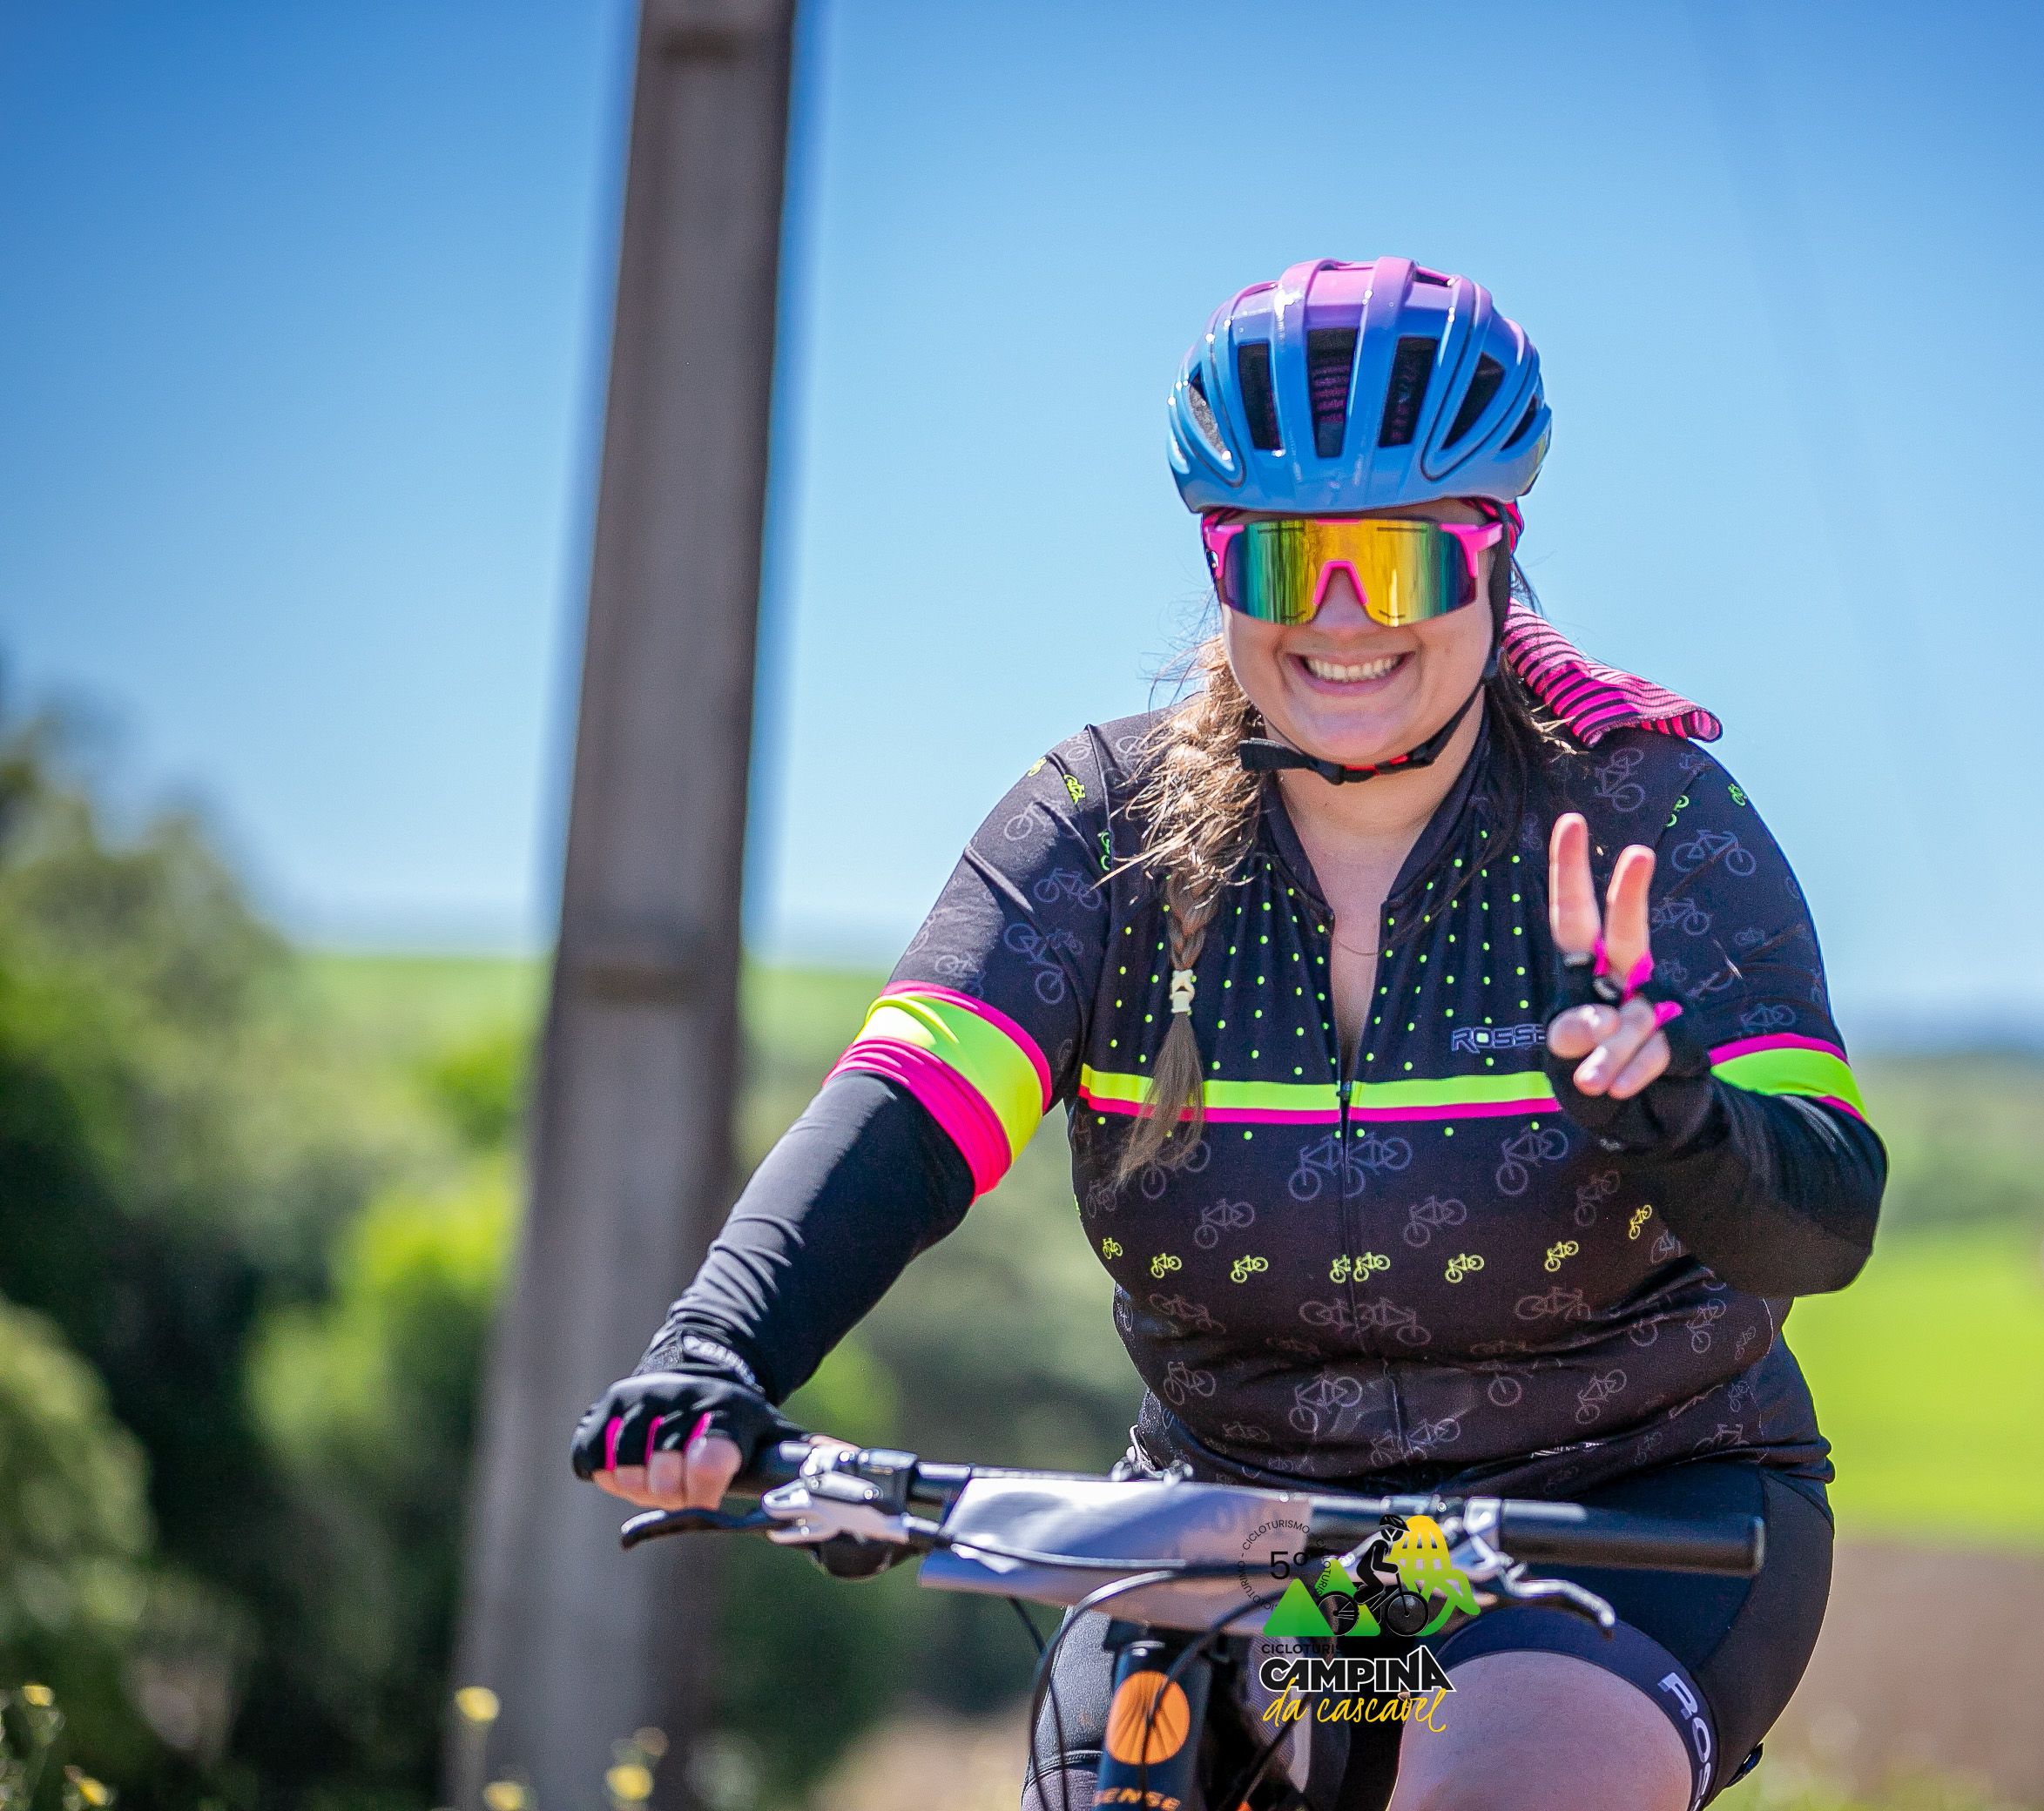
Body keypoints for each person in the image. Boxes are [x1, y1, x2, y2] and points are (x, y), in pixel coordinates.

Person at [572, 257, 1887, 1811]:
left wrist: (1677, 1119)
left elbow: (1823, 1224)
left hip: (1614, 1527)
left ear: (1494, 554)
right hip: (1246, 1540)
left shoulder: (1651, 821)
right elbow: (906, 1117)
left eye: (1395, 561)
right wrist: (713, 1352)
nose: (1337, 617)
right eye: (1279, 560)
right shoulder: (1099, 828)